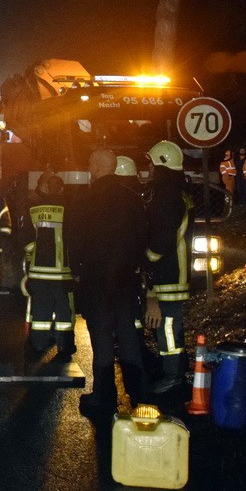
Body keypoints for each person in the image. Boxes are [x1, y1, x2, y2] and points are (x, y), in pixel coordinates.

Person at [70, 149, 149, 419]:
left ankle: (104, 398)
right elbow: (142, 236)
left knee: (102, 338)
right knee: (127, 334)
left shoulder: (85, 200)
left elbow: (76, 240)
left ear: (95, 167)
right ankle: (139, 396)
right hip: (126, 279)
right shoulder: (132, 199)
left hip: (96, 280)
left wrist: (78, 271)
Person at [143, 140, 195, 395]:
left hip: (169, 274)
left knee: (168, 328)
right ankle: (173, 371)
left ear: (161, 165)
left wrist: (146, 260)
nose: (148, 169)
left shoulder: (166, 196)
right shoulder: (176, 192)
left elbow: (162, 241)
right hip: (174, 272)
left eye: (151, 164)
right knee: (169, 326)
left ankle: (173, 377)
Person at [19, 172, 75, 358]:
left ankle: (38, 345)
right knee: (63, 313)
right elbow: (77, 239)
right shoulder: (69, 209)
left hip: (39, 271)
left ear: (47, 187)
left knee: (40, 311)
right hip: (62, 272)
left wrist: (33, 254)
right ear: (60, 188)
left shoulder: (34, 208)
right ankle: (65, 347)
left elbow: (25, 239)